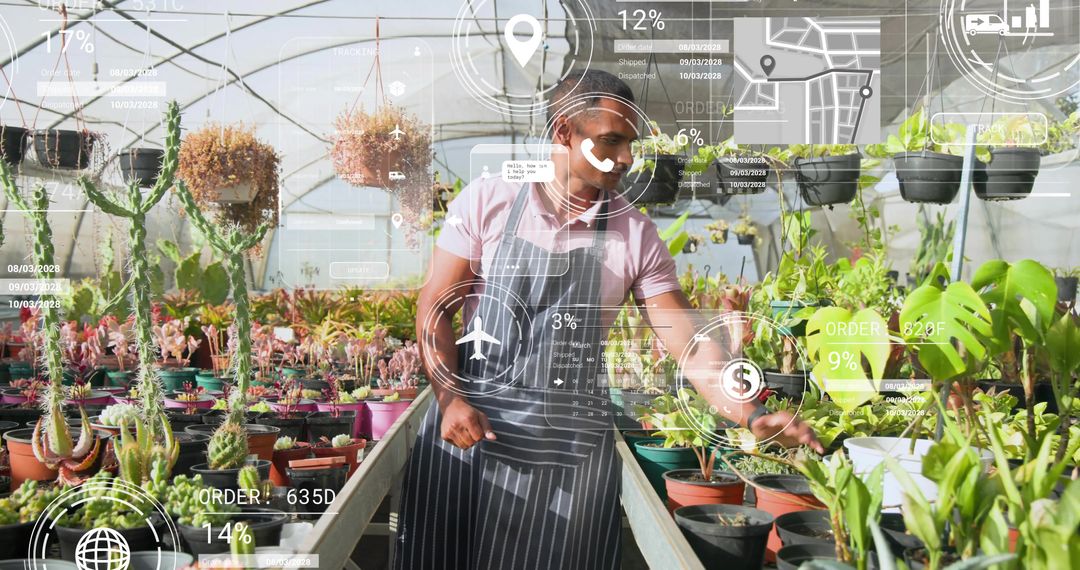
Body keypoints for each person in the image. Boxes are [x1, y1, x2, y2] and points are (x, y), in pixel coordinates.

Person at [394, 69, 823, 570]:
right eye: (611, 141)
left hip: (569, 453)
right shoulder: (490, 201)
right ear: (563, 132)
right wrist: (450, 399)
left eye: (630, 143)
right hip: (473, 430)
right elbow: (435, 306)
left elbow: (689, 344)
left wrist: (749, 412)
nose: (626, 158)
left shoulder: (634, 235)